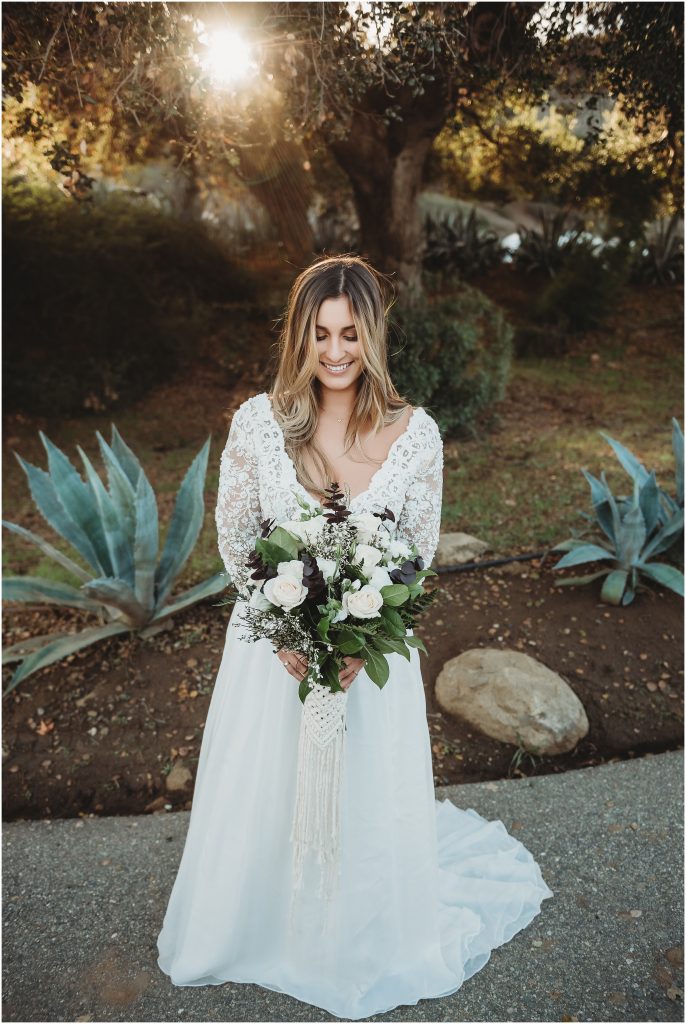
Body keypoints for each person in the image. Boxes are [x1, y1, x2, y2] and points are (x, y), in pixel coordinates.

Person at [156, 254, 553, 1019]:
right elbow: (236, 539)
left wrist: (359, 639)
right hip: (273, 656)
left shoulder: (416, 435)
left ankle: (358, 932)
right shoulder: (259, 423)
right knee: (267, 790)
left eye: (349, 334)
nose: (335, 352)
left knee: (362, 797)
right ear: (298, 337)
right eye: (320, 334)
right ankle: (256, 922)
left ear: (373, 337)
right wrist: (282, 630)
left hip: (363, 662)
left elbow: (415, 555)